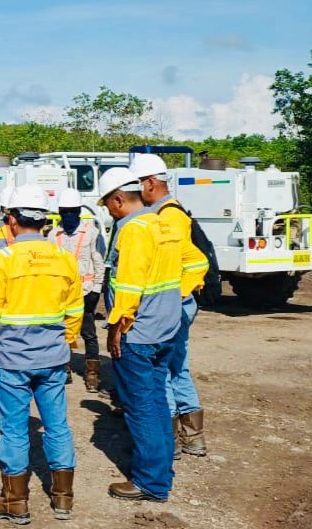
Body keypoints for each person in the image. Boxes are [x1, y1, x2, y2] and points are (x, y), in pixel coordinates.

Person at [0, 184, 84, 523]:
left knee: (15, 430)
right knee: (58, 426)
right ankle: (63, 499)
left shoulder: (5, 260)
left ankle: (15, 502)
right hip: (51, 359)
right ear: (45, 221)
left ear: (11, 220)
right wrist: (65, 342)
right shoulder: (64, 257)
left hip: (12, 361)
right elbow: (74, 310)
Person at [99, 167, 184, 502]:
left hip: (139, 331)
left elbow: (130, 284)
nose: (107, 210)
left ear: (119, 199)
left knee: (140, 406)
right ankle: (162, 470)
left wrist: (116, 327)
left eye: (107, 204)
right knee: (156, 401)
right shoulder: (164, 222)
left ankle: (151, 481)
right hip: (166, 326)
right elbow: (193, 263)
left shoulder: (133, 230)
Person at [130, 154, 209, 458]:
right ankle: (192, 436)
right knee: (178, 367)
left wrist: (175, 296)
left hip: (171, 305)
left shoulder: (169, 216)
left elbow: (192, 260)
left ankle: (173, 438)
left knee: (164, 371)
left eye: (138, 186)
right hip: (175, 303)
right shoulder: (165, 212)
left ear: (150, 183)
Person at [48, 188, 106, 392]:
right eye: (65, 211)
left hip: (86, 291)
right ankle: (64, 367)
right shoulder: (53, 235)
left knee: (88, 333)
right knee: (62, 333)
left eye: (73, 211)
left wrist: (96, 290)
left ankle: (92, 373)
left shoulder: (91, 232)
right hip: (62, 294)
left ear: (79, 211)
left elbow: (98, 262)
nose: (69, 215)